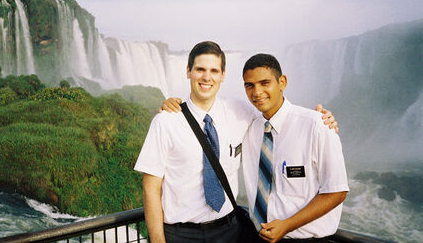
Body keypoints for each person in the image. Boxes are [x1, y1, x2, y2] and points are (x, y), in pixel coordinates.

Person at [135, 41, 338, 243]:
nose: (207, 77)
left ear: (222, 76)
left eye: (214, 70)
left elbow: (275, 108)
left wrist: (319, 119)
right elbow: (151, 188)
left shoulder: (239, 112)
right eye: (200, 69)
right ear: (188, 71)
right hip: (181, 234)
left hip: (229, 232)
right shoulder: (166, 121)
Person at [242, 53, 349, 243]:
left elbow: (336, 191)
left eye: (264, 83)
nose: (256, 92)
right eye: (249, 85)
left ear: (282, 82)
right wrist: (171, 105)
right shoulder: (248, 127)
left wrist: (287, 225)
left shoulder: (316, 125)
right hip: (258, 236)